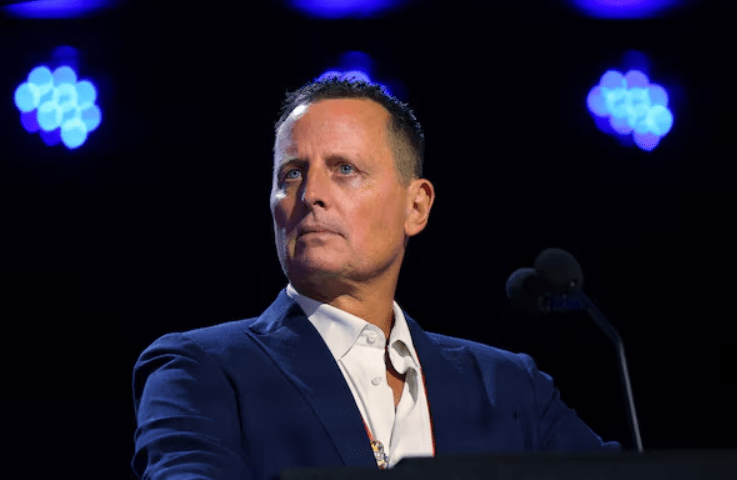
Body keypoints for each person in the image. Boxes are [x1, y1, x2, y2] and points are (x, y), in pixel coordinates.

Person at [131, 77, 620, 480]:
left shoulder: (510, 388)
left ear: (416, 206)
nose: (312, 195)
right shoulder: (199, 371)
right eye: (292, 174)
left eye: (344, 169)